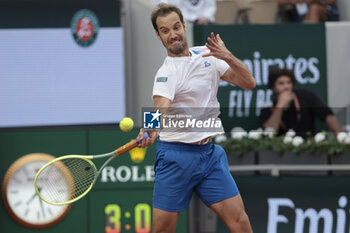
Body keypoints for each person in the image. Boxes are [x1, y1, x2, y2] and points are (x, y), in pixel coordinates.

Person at [137, 3, 256, 233]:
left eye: (176, 27)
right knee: (163, 230)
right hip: (175, 157)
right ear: (158, 35)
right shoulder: (166, 72)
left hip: (209, 157)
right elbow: (161, 107)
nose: (173, 35)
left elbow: (248, 82)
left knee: (240, 222)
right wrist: (150, 128)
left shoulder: (208, 54)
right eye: (165, 31)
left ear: (184, 25)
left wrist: (228, 56)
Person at [260, 68, 342, 138]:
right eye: (281, 83)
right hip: (279, 153)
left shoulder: (306, 96)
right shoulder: (267, 106)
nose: (286, 87)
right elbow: (269, 133)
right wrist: (280, 106)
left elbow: (328, 116)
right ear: (273, 87)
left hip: (308, 149)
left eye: (289, 83)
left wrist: (342, 139)